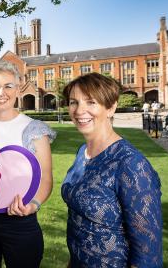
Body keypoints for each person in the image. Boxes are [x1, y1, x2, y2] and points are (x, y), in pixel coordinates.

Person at [61, 72, 162, 267]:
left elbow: (148, 254)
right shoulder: (83, 152)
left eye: (91, 102)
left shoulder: (130, 164)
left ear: (111, 107)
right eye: (73, 102)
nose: (79, 110)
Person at [0, 60, 56, 268]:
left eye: (8, 86)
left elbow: (46, 178)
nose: (1, 93)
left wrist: (33, 205)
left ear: (18, 88)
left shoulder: (34, 129)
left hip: (19, 221)